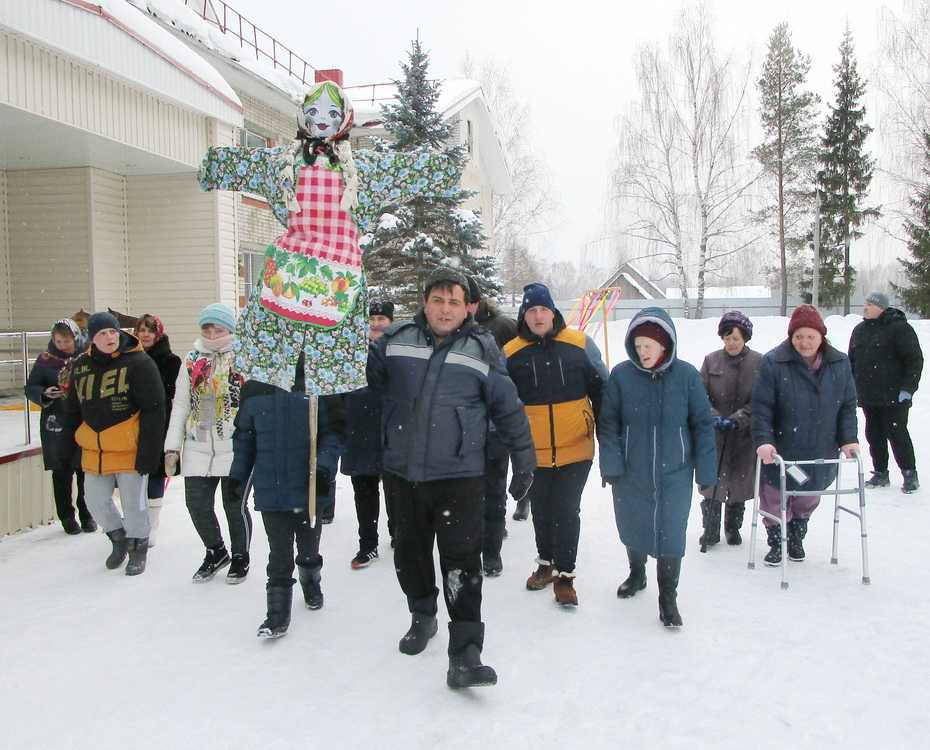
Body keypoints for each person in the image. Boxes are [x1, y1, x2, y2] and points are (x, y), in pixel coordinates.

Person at [368, 267, 535, 689]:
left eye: (454, 302)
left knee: (462, 563)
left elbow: (508, 406)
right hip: (403, 472)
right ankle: (422, 615)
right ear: (425, 302)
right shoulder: (395, 341)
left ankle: (465, 652)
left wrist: (525, 458)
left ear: (468, 308)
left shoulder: (482, 349)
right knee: (411, 554)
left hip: (460, 475)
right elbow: (362, 382)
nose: (445, 309)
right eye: (438, 300)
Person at [598, 307, 716, 628]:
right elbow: (608, 425)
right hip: (630, 471)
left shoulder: (687, 376)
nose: (642, 352)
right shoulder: (621, 376)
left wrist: (706, 473)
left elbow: (703, 426)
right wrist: (611, 462)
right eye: (637, 346)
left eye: (649, 345)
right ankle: (637, 574)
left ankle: (668, 597)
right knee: (632, 524)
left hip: (675, 472)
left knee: (671, 533)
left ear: (665, 344)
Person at [504, 283, 606, 606]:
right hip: (533, 452)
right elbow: (502, 402)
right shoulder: (511, 353)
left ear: (553, 312)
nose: (538, 316)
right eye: (531, 310)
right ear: (524, 315)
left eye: (543, 310)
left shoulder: (578, 344)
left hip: (576, 448)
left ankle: (565, 575)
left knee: (566, 509)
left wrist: (608, 439)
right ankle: (545, 564)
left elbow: (602, 390)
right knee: (542, 510)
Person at [231, 355, 345, 638]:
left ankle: (310, 578)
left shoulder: (317, 383)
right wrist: (238, 475)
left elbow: (333, 433)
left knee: (308, 548)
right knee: (278, 552)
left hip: (308, 488)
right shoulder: (255, 388)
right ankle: (277, 615)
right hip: (271, 488)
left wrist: (324, 469)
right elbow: (244, 438)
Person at [752, 304, 859, 565]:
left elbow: (847, 405)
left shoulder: (839, 363)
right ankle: (777, 539)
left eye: (810, 336)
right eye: (798, 336)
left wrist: (848, 439)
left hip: (819, 447)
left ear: (821, 336)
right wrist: (764, 440)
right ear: (791, 337)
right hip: (783, 446)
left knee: (809, 495)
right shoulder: (773, 362)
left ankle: (797, 535)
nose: (804, 342)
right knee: (775, 496)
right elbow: (762, 407)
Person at [62, 312, 166, 576]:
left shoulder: (140, 363)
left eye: (112, 332)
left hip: (130, 449)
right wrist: (70, 448)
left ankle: (137, 546)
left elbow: (155, 410)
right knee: (94, 500)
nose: (109, 338)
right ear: (92, 339)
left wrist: (150, 453)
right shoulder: (81, 366)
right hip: (94, 450)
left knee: (134, 504)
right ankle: (118, 537)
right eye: (102, 334)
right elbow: (73, 410)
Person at [164, 304, 250, 583]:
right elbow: (179, 405)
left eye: (219, 328)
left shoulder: (243, 357)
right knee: (196, 504)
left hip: (233, 444)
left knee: (233, 505)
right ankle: (216, 551)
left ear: (230, 330)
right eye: (207, 328)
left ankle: (240, 556)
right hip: (198, 442)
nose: (212, 334)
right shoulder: (191, 360)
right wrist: (171, 447)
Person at [466, 275, 520, 576]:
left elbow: (518, 365)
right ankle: (471, 544)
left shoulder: (502, 326)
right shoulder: (448, 333)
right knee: (465, 491)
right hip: (461, 428)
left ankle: (492, 552)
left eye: (471, 300)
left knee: (495, 490)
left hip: (496, 425)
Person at [697, 311, 763, 549]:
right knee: (712, 484)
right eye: (727, 338)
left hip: (743, 436)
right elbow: (699, 394)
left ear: (745, 337)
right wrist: (713, 416)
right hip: (715, 434)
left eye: (736, 338)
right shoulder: (710, 361)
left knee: (738, 483)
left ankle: (733, 527)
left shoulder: (758, 362)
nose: (731, 343)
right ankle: (711, 529)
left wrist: (740, 418)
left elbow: (760, 399)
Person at [24, 319, 95, 535]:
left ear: (75, 337)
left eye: (66, 340)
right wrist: (44, 393)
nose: (62, 345)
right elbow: (31, 387)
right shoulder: (46, 360)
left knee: (86, 471)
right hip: (57, 422)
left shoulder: (88, 356)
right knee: (61, 472)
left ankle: (87, 513)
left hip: (84, 420)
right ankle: (66, 516)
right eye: (58, 340)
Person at [849, 291, 923, 493]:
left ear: (881, 308)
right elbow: (852, 361)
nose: (865, 307)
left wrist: (908, 388)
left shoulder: (900, 329)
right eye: (865, 304)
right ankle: (881, 473)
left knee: (897, 433)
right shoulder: (859, 330)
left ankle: (909, 474)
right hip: (868, 395)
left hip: (895, 396)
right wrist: (853, 386)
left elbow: (914, 360)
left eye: (870, 305)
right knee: (874, 434)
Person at [341, 299, 396, 569]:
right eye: (371, 319)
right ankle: (368, 544)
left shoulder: (397, 350)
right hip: (359, 429)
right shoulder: (350, 349)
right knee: (364, 492)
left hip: (391, 431)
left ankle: (398, 532)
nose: (376, 323)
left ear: (390, 321)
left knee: (396, 489)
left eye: (381, 319)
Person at [135, 314, 180, 547]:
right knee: (132, 474)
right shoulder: (129, 358)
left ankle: (152, 522)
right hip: (132, 425)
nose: (145, 335)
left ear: (158, 333)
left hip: (160, 423)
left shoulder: (171, 361)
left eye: (150, 330)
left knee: (154, 471)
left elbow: (174, 395)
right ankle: (135, 519)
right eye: (141, 330)